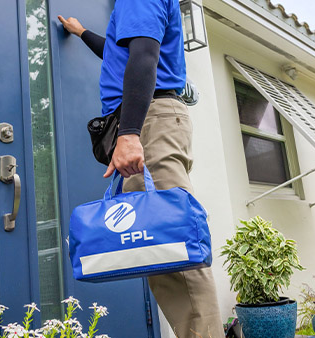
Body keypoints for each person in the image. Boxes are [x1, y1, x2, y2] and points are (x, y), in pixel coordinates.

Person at [58, 1, 223, 336]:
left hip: (149, 121)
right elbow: (121, 57)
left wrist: (130, 133)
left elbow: (144, 56)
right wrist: (82, 32)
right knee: (162, 249)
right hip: (150, 119)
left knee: (175, 248)